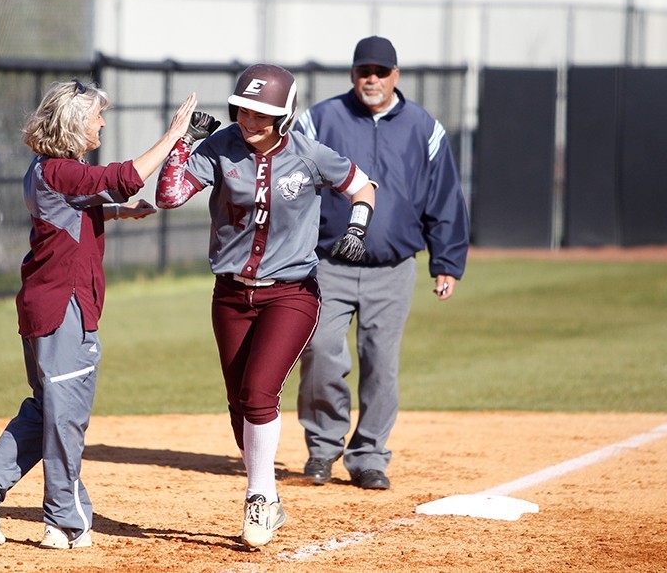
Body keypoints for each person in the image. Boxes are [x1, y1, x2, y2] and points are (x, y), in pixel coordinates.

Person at [0, 79, 198, 550]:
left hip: (46, 305)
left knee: (48, 411)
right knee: (66, 417)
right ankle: (62, 520)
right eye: (95, 116)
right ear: (73, 125)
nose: (102, 122)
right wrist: (172, 137)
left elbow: (83, 205)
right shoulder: (60, 171)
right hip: (64, 308)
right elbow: (121, 177)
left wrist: (121, 213)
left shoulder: (47, 171)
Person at [156, 63, 377, 548]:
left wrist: (357, 226)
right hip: (231, 295)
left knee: (259, 391)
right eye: (243, 111)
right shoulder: (219, 147)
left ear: (284, 115)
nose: (249, 121)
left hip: (291, 292)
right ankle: (268, 497)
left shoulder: (308, 153)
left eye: (262, 114)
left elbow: (363, 184)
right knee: (240, 405)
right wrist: (183, 144)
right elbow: (169, 195)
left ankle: (260, 498)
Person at [295, 35, 469, 491]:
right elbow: (291, 184)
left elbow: (444, 196)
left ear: (396, 75)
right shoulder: (320, 119)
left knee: (380, 363)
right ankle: (322, 448)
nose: (372, 79)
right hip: (326, 265)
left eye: (381, 71)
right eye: (363, 71)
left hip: (392, 270)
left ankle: (369, 455)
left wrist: (446, 260)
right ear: (353, 74)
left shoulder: (423, 127)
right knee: (319, 353)